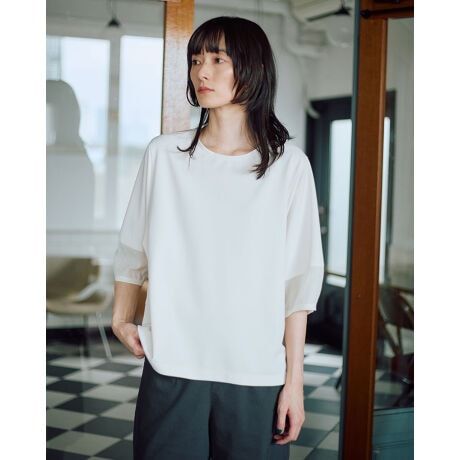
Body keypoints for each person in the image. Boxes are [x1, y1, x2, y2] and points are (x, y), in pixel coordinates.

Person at [112, 16, 324, 460]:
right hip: (171, 366)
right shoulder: (163, 156)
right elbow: (132, 248)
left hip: (256, 374)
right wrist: (121, 317)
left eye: (217, 60)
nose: (201, 72)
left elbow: (297, 285)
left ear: (253, 69)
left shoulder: (290, 167)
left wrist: (294, 384)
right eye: (195, 60)